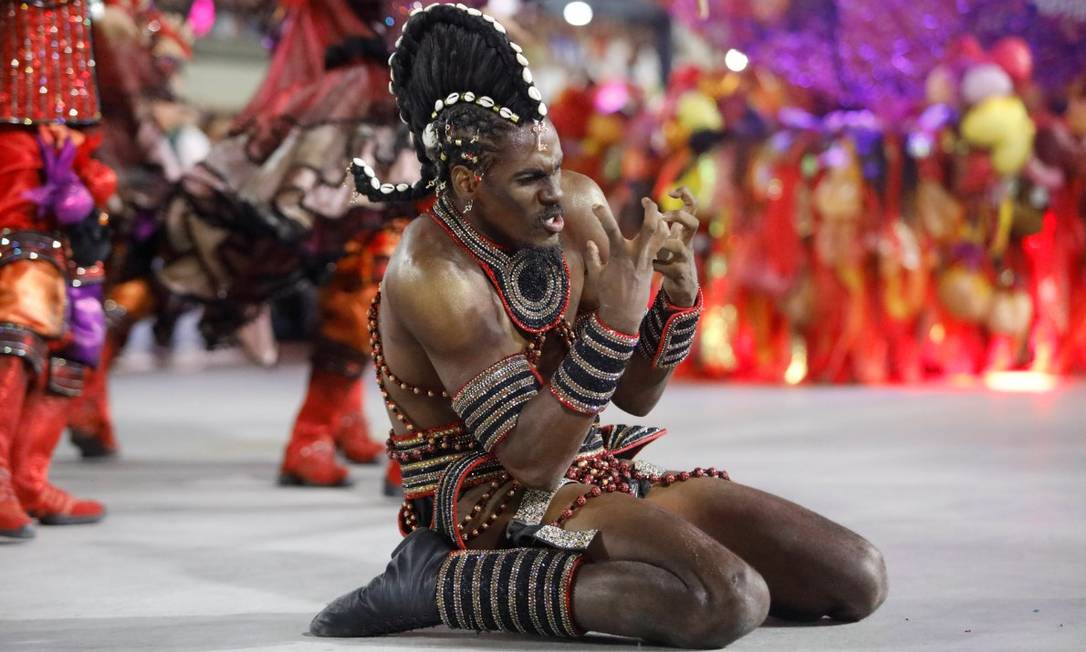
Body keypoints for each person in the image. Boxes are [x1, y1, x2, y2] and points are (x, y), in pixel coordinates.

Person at [309, 4, 887, 647]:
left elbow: (636, 394)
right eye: (531, 179)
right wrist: (614, 321)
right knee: (724, 599)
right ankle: (438, 581)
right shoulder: (432, 270)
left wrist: (676, 297)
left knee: (856, 577)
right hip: (487, 500)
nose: (557, 193)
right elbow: (529, 462)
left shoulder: (577, 206)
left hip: (591, 465)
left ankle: (583, 559)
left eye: (555, 167)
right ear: (470, 181)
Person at [1, 0, 116, 540]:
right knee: (21, 299)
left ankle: (28, 478)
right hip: (11, 113)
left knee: (80, 316)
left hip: (71, 118)